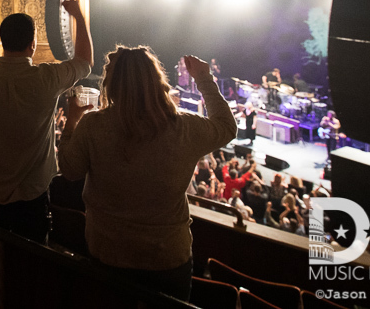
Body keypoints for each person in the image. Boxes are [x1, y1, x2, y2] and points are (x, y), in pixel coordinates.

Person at [57, 52, 236, 301]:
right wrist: (204, 79)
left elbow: (69, 169)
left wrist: (72, 123)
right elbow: (227, 126)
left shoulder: (93, 125)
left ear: (111, 84)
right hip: (166, 258)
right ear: (157, 82)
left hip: (107, 251)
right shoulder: (184, 127)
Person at [0, 0, 92, 243]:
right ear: (33, 44)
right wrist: (79, 17)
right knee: (32, 263)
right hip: (34, 196)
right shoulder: (47, 78)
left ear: (3, 41)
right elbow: (84, 63)